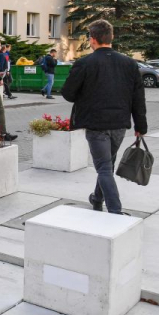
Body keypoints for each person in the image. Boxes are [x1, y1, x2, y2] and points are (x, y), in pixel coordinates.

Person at [62, 20, 147, 215]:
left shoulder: (84, 63)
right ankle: (97, 198)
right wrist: (141, 126)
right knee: (106, 165)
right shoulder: (129, 63)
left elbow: (68, 93)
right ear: (111, 38)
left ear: (92, 39)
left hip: (95, 125)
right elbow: (138, 98)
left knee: (104, 168)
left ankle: (115, 212)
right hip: (119, 125)